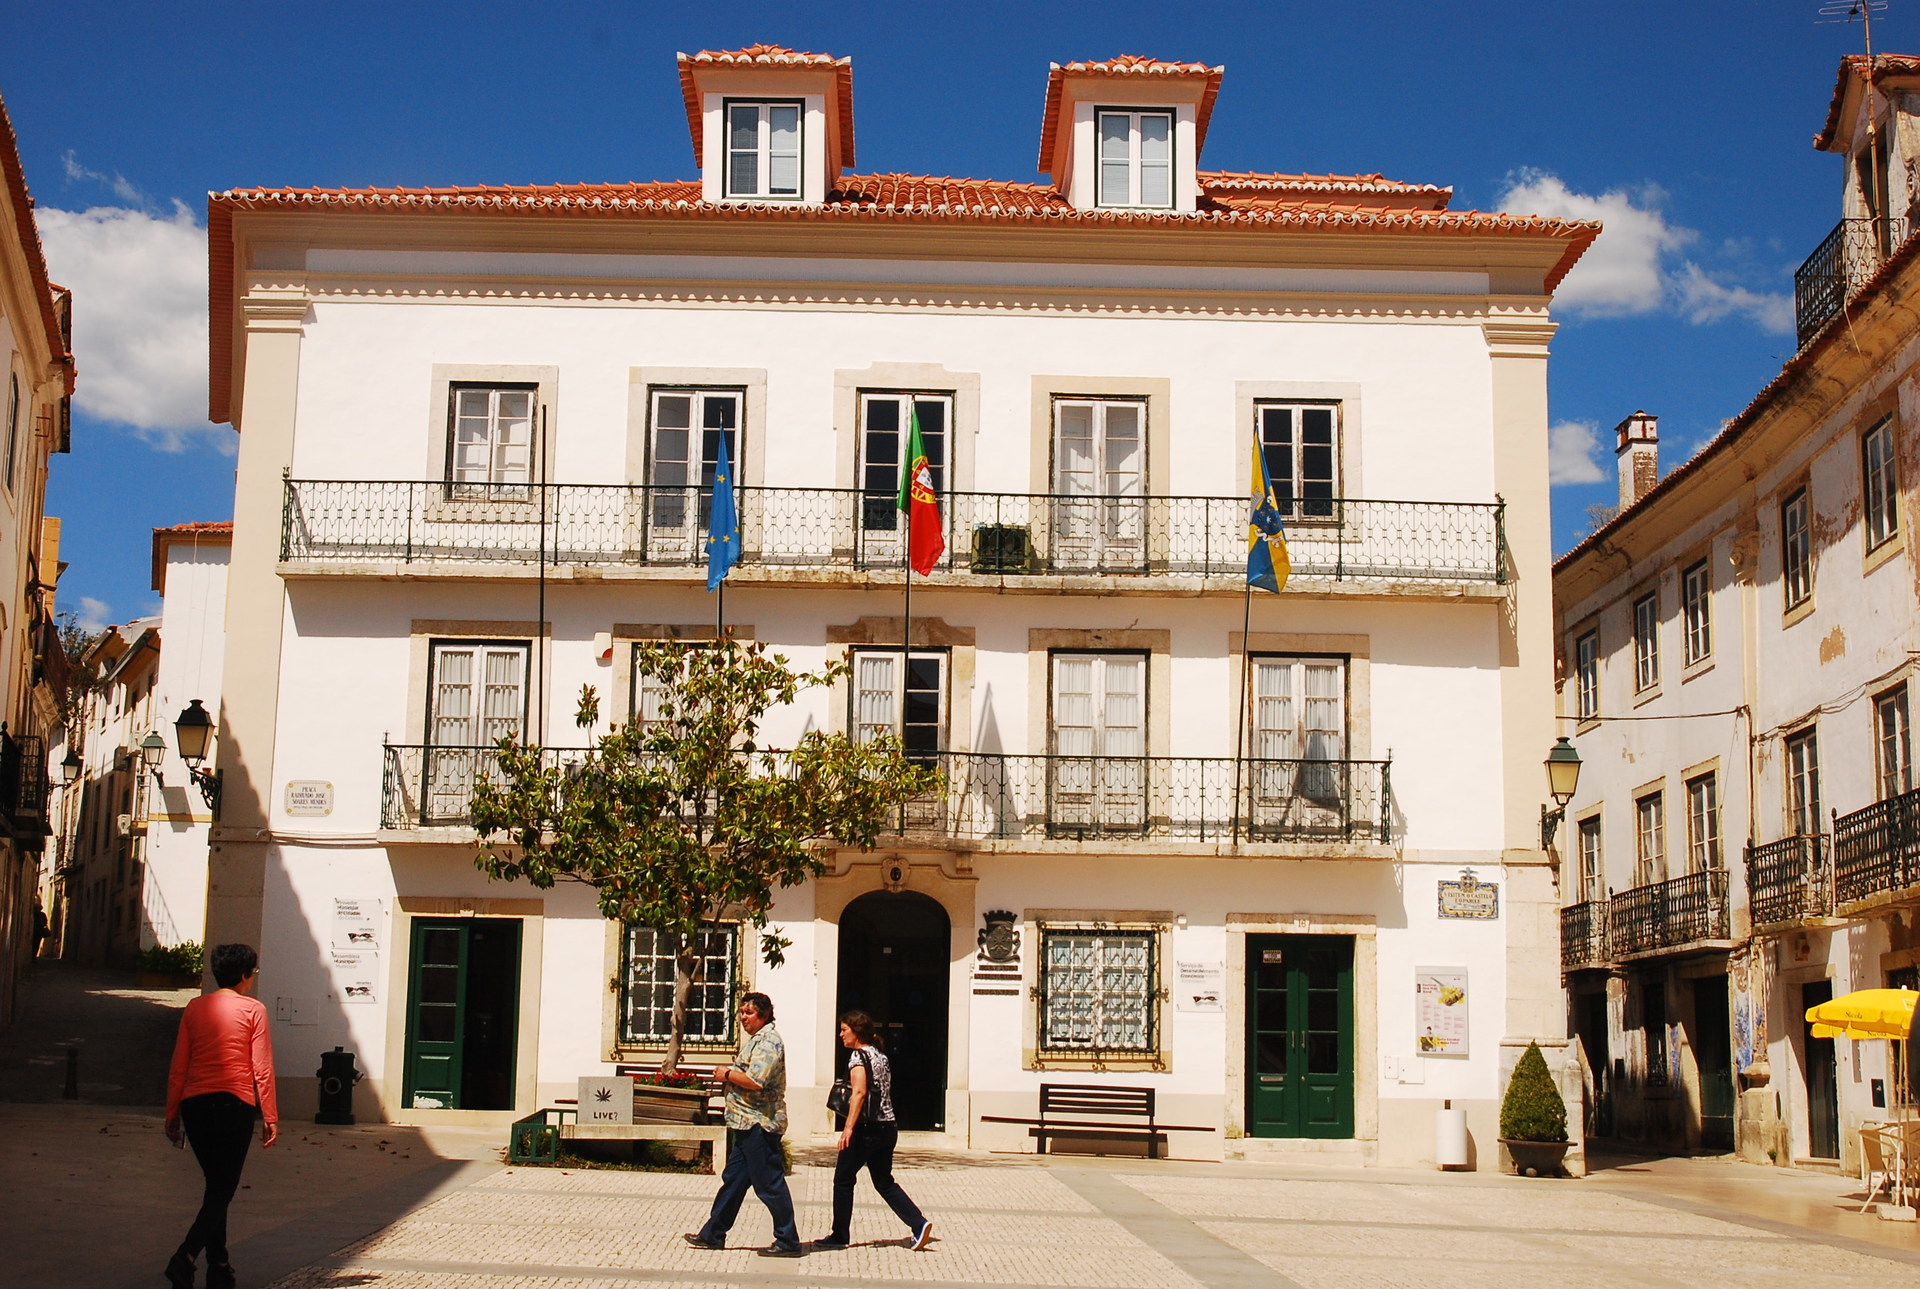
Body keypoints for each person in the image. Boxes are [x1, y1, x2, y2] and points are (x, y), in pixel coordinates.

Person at [163, 943, 278, 1289]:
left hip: (195, 1105)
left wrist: (172, 1113)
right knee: (222, 1188)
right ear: (244, 975)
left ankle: (219, 1266)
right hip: (234, 1105)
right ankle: (185, 1257)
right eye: (253, 973)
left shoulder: (195, 1008)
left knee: (216, 1185)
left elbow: (179, 1065)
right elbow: (262, 1067)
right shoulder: (253, 1010)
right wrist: (270, 1114)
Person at [685, 992, 804, 1258]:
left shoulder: (768, 1041)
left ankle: (788, 1240)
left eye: (749, 1013)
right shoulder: (757, 1040)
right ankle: (713, 1233)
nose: (743, 1018)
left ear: (764, 1014)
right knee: (734, 1181)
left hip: (759, 1123)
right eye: (741, 1012)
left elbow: (756, 1081)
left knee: (769, 1184)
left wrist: (727, 1074)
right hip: (745, 1123)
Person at [812, 1010, 933, 1251]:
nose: (841, 1035)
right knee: (884, 1181)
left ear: (856, 1032)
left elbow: (859, 1092)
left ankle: (839, 1235)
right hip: (888, 1126)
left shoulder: (857, 1056)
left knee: (843, 1179)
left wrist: (848, 1128)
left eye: (844, 1030)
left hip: (866, 1129)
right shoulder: (880, 1055)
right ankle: (919, 1223)